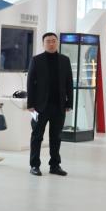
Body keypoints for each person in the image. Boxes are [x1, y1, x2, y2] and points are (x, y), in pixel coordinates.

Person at [27, 32, 73, 176]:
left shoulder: (65, 60)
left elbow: (69, 83)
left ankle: (55, 165)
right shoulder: (36, 60)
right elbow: (30, 83)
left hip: (59, 106)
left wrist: (69, 103)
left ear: (57, 42)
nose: (51, 43)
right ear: (43, 44)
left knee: (56, 137)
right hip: (39, 107)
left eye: (53, 41)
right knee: (37, 136)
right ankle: (34, 165)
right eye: (48, 41)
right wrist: (30, 104)